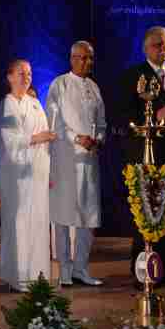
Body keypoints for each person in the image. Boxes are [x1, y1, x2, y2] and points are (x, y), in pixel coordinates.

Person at [118, 25, 165, 290]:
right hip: (148, 159)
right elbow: (123, 117)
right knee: (147, 217)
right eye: (158, 45)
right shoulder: (134, 75)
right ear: (146, 48)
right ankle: (143, 273)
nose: (164, 49)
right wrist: (154, 116)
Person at [46, 41, 106, 287]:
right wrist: (76, 138)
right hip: (65, 158)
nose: (87, 62)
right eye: (82, 58)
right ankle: (64, 269)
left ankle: (81, 268)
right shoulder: (59, 84)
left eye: (90, 58)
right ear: (72, 59)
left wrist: (98, 139)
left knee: (88, 216)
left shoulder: (94, 87)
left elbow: (101, 122)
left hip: (89, 160)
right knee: (63, 214)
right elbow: (54, 120)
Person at [0, 60, 56, 292]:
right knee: (18, 222)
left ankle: (37, 274)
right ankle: (17, 275)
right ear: (10, 77)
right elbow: (8, 140)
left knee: (38, 222)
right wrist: (35, 138)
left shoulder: (35, 103)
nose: (26, 77)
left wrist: (48, 166)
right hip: (16, 176)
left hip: (37, 172)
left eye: (29, 73)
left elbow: (45, 134)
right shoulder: (7, 105)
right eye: (21, 73)